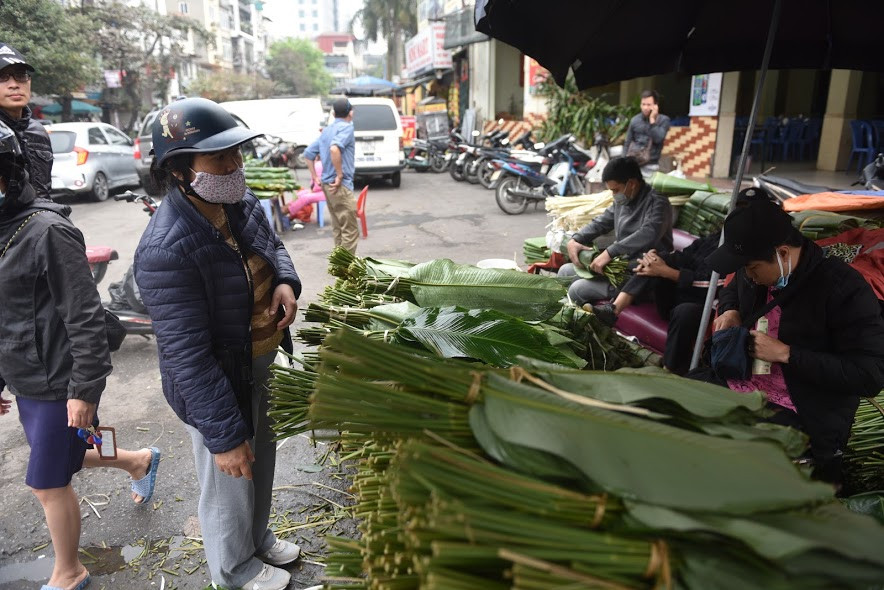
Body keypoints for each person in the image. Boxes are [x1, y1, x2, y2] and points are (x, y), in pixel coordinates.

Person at [134, 97, 302, 590]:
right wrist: (224, 435)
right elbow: (186, 354)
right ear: (181, 170)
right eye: (218, 158)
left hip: (259, 360)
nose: (233, 166)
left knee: (262, 462)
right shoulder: (166, 248)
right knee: (231, 475)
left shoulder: (238, 201)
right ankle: (233, 570)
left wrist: (284, 281)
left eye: (236, 154)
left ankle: (256, 539)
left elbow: (272, 246)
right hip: (216, 382)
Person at [0, 121, 160, 590]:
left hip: (58, 379)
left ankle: (70, 571)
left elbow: (87, 317)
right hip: (26, 375)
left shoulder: (47, 230)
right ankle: (138, 462)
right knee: (60, 456)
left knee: (46, 482)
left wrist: (84, 390)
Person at [701, 191, 884, 484]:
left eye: (752, 268)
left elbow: (869, 376)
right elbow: (733, 287)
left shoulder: (843, 289)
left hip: (802, 407)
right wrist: (730, 309)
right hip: (741, 382)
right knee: (668, 406)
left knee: (723, 464)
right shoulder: (755, 272)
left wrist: (787, 354)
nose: (748, 276)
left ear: (782, 253)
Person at [592, 231, 722, 375]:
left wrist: (666, 271)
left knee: (685, 311)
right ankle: (613, 310)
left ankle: (668, 372)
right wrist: (655, 259)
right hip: (677, 297)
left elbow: (715, 285)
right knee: (660, 259)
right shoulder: (715, 237)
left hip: (703, 307)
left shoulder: (734, 253)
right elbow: (684, 256)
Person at [557, 156, 673, 306]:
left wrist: (610, 252)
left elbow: (649, 232)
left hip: (640, 276)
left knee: (578, 289)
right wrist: (577, 239)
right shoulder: (624, 200)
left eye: (615, 190)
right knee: (565, 272)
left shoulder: (658, 202)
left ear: (631, 183)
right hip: (620, 266)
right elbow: (602, 221)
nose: (614, 195)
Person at [304, 97, 358, 253]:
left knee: (338, 228)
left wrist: (315, 177)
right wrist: (340, 175)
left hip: (328, 187)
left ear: (333, 113)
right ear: (351, 112)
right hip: (339, 186)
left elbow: (308, 154)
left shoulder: (326, 131)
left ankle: (339, 267)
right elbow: (335, 149)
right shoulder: (347, 128)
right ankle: (345, 270)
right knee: (350, 231)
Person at [0, 43, 52, 199]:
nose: (14, 85)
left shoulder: (38, 131)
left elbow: (45, 193)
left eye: (20, 76)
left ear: (29, 82)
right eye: (2, 77)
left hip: (39, 219)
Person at [623, 90, 671, 175]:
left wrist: (652, 120)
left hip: (651, 166)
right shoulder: (635, 120)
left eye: (649, 105)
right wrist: (623, 162)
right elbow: (627, 142)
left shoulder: (663, 120)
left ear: (655, 105)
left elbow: (658, 139)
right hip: (634, 164)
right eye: (643, 104)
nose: (645, 107)